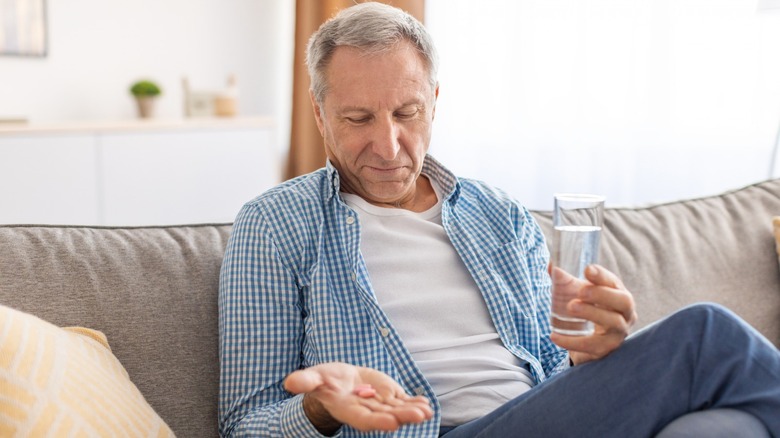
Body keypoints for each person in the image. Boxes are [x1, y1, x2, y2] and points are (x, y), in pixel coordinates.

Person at [218, 3, 780, 437]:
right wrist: (319, 408)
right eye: (358, 118)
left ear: (434, 101)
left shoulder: (499, 215)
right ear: (319, 113)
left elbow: (555, 377)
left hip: (529, 420)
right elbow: (244, 426)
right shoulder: (276, 225)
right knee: (707, 334)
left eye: (407, 113)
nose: (387, 145)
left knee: (728, 428)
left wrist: (593, 358)